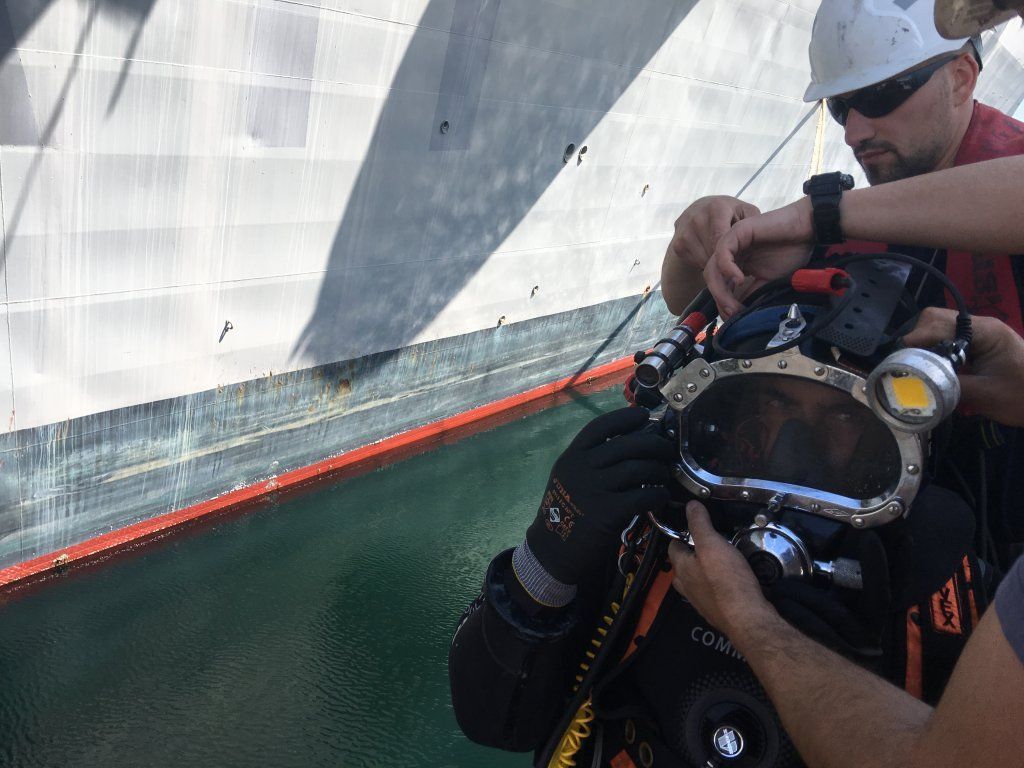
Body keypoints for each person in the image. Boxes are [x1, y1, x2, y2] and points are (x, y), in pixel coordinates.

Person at [450, 263, 990, 767]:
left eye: (842, 415)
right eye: (776, 404)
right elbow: (494, 722)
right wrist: (545, 557)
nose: (795, 443)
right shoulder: (668, 520)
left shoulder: (934, 577)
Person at [663, 0, 1024, 571]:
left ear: (960, 78)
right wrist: (691, 246)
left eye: (880, 96)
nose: (856, 130)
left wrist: (821, 215)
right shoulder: (856, 226)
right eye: (841, 107)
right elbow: (703, 309)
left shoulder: (842, 217)